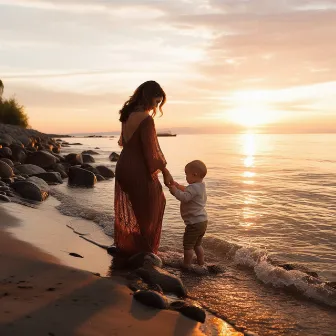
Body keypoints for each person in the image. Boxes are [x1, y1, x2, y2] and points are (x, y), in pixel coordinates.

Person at [114, 80, 174, 256]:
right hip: (136, 169)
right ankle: (146, 253)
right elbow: (152, 151)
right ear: (149, 98)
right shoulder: (146, 119)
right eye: (156, 102)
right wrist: (165, 172)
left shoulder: (127, 114)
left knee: (141, 210)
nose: (156, 107)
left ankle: (135, 248)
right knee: (154, 204)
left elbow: (123, 142)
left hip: (123, 166)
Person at [169, 160, 208, 270]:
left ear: (194, 174)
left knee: (188, 245)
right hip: (202, 222)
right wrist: (177, 186)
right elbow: (187, 190)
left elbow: (185, 197)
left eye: (187, 174)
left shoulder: (193, 188)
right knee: (197, 245)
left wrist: (174, 192)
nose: (186, 177)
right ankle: (201, 263)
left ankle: (187, 265)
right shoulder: (200, 186)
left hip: (194, 223)